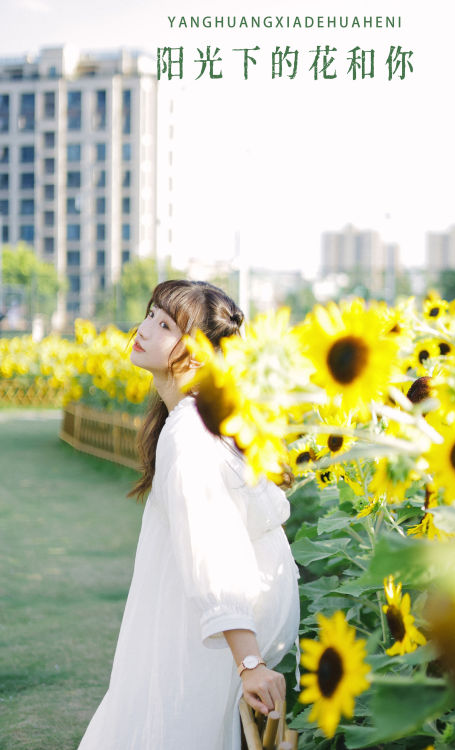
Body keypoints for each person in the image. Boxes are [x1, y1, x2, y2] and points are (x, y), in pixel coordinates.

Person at [78, 280, 300, 750]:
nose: (145, 329)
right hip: (202, 632)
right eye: (151, 314)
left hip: (207, 640)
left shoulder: (190, 433)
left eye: (165, 325)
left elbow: (213, 547)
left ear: (198, 354)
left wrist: (249, 664)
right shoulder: (196, 419)